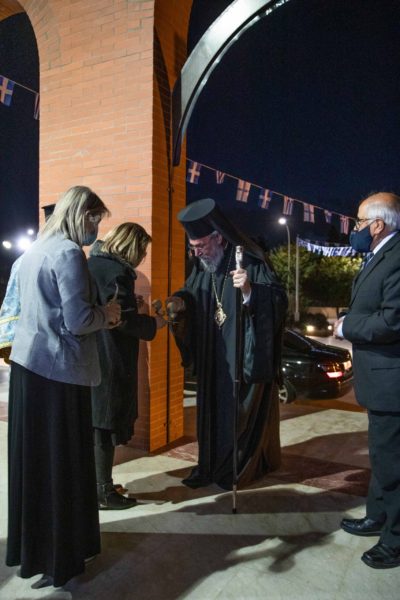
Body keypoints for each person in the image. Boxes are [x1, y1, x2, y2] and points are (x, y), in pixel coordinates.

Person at [6, 186, 121, 588]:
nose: (96, 229)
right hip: (59, 375)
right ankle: (62, 558)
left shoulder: (33, 251)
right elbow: (78, 321)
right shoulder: (69, 253)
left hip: (28, 370)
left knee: (35, 465)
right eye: (96, 219)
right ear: (83, 215)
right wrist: (108, 314)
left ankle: (36, 551)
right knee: (62, 467)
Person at [167, 198, 287, 490]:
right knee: (211, 412)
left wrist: (249, 291)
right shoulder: (203, 266)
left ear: (219, 238)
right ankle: (208, 465)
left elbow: (278, 301)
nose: (196, 253)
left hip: (241, 357)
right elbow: (190, 292)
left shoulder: (251, 260)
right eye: (192, 248)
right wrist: (179, 302)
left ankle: (236, 467)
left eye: (200, 246)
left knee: (236, 413)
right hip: (213, 356)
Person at [334, 192, 400, 569]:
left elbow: (392, 321)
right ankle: (377, 516)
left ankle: (395, 539)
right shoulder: (379, 254)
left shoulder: (397, 257)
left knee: (393, 464)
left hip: (392, 383)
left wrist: (347, 326)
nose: (354, 228)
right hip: (379, 382)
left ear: (377, 224)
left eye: (358, 222)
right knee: (381, 455)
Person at [88, 223, 166, 509]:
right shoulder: (116, 272)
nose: (142, 257)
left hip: (91, 353)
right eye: (142, 250)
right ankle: (103, 492)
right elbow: (124, 320)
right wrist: (156, 323)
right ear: (131, 247)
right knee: (104, 425)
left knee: (96, 424)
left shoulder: (94, 264)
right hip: (109, 357)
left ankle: (96, 485)